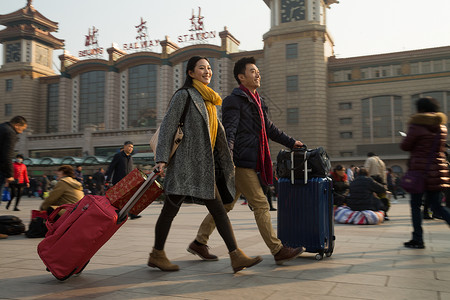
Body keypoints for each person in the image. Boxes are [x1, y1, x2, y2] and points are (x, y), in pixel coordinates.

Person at [188, 57, 305, 265]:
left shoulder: (257, 101)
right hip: (241, 162)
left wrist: (291, 142)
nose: (257, 74)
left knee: (225, 206)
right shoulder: (235, 101)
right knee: (261, 204)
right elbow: (229, 132)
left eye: (258, 71)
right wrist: (229, 160)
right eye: (253, 71)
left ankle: (199, 241)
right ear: (241, 77)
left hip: (251, 161)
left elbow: (269, 129)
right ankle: (277, 249)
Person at [152, 56, 262, 273]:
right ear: (191, 73)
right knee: (169, 210)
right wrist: (161, 159)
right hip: (184, 165)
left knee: (219, 211)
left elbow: (216, 135)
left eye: (209, 68)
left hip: (204, 167)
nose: (207, 71)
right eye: (201, 68)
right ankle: (157, 254)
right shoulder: (184, 95)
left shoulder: (210, 101)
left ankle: (236, 255)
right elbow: (167, 126)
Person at [400, 97, 450, 249]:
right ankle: (417, 238)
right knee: (437, 206)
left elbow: (405, 145)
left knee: (415, 205)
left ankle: (418, 239)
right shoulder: (441, 127)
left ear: (420, 109)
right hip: (436, 171)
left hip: (420, 172)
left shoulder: (417, 125)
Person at [105, 141, 141, 219]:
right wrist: (108, 179)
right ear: (124, 147)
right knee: (119, 200)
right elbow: (111, 168)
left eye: (132, 147)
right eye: (129, 146)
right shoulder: (118, 156)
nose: (130, 148)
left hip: (128, 183)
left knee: (130, 198)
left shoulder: (130, 158)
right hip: (118, 182)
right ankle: (117, 215)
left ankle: (132, 214)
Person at [0, 116, 28, 203]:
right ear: (17, 125)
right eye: (22, 129)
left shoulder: (2, 127)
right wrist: (9, 174)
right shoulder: (10, 132)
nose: (21, 132)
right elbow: (7, 155)